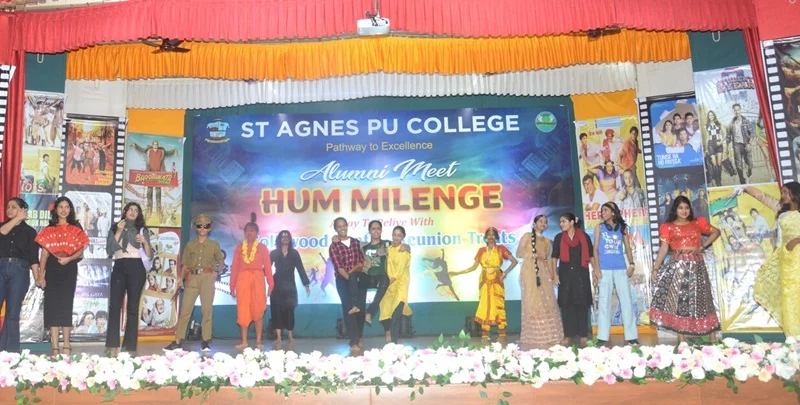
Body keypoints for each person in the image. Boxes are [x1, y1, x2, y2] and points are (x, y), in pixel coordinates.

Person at [650, 196, 721, 342]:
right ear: (675, 209)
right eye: (681, 208)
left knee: (704, 299)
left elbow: (716, 232)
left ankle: (712, 337)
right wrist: (655, 269)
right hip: (678, 267)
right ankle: (681, 340)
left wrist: (702, 247)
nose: (684, 211)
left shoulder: (697, 223)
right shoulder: (667, 227)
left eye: (687, 208)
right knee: (679, 300)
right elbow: (664, 249)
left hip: (697, 266)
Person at [34, 196, 89, 356]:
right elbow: (44, 255)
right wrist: (40, 275)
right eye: (60, 207)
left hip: (69, 268)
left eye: (66, 207)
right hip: (52, 269)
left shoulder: (75, 227)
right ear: (56, 210)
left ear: (70, 210)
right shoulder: (49, 229)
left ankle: (66, 344)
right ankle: (55, 346)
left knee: (66, 305)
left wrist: (69, 259)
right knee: (52, 306)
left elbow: (80, 252)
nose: (63, 210)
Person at [164, 214, 224, 352]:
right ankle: (178, 341)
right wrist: (181, 279)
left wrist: (216, 272)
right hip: (192, 278)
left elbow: (220, 261)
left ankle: (205, 340)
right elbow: (185, 264)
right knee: (185, 310)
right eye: (199, 226)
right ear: (196, 228)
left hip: (207, 278)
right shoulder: (190, 245)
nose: (203, 228)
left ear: (209, 228)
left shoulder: (214, 245)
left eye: (206, 226)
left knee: (207, 310)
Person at [451, 227, 518, 342]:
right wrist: (457, 273)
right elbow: (473, 267)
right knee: (485, 305)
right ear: (486, 237)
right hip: (484, 281)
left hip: (497, 280)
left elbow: (514, 261)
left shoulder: (501, 249)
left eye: (493, 234)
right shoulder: (481, 250)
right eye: (489, 234)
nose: (491, 237)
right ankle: (485, 333)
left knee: (498, 304)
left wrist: (505, 272)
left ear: (496, 237)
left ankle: (502, 332)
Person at [105, 202, 152, 356]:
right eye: (130, 209)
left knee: (133, 307)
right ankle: (112, 344)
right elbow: (109, 250)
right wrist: (119, 231)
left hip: (136, 267)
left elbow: (150, 255)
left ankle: (130, 346)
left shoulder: (142, 229)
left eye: (136, 210)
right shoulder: (115, 227)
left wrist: (144, 241)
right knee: (114, 306)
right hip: (119, 265)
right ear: (125, 211)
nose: (132, 212)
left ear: (138, 214)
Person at [755, 182, 800, 336]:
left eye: (786, 192)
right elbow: (779, 242)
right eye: (782, 193)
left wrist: (797, 240)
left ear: (794, 193)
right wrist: (770, 263)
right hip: (787, 260)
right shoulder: (782, 215)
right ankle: (794, 336)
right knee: (789, 295)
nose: (783, 196)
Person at [593, 202, 638, 346]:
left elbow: (628, 248)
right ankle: (602, 337)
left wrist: (632, 264)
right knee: (604, 302)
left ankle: (631, 336)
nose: (603, 213)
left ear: (613, 212)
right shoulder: (599, 227)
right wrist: (597, 270)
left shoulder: (622, 228)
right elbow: (595, 250)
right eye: (602, 211)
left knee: (626, 301)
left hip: (620, 268)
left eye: (606, 210)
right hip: (604, 269)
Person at [516, 214, 563, 349]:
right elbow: (519, 253)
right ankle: (533, 335)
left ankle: (548, 334)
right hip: (529, 272)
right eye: (540, 221)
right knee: (533, 302)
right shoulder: (527, 237)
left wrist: (553, 276)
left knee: (546, 301)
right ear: (534, 224)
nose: (543, 223)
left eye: (545, 222)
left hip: (543, 273)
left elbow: (548, 260)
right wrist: (535, 255)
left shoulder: (547, 241)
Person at [0, 197, 40, 353]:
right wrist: (16, 218)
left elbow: (33, 258)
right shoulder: (2, 226)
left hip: (20, 270)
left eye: (14, 207)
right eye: (8, 207)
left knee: (12, 312)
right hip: (1, 266)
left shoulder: (30, 231)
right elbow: (3, 232)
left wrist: (38, 277)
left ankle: (10, 351)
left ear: (23, 210)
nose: (9, 210)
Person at [550, 213, 595, 347]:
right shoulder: (559, 238)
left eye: (563, 221)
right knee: (566, 305)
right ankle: (568, 335)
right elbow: (554, 257)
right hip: (565, 275)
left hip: (581, 274)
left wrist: (596, 271)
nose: (561, 224)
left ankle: (583, 334)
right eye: (560, 222)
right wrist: (555, 274)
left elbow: (591, 256)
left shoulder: (584, 237)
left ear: (571, 222)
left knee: (582, 304)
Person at [230, 213, 273, 350]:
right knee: (243, 310)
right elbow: (234, 268)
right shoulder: (239, 248)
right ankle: (244, 341)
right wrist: (232, 285)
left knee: (258, 309)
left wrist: (271, 284)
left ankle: (259, 341)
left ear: (257, 233)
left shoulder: (262, 248)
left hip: (258, 279)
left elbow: (268, 267)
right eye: (247, 231)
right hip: (243, 280)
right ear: (244, 233)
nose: (249, 233)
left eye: (252, 231)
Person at [329, 217, 366, 354]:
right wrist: (351, 280)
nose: (342, 228)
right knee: (349, 308)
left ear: (347, 226)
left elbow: (362, 262)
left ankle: (359, 335)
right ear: (335, 229)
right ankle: (353, 341)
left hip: (359, 278)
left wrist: (355, 278)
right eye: (339, 226)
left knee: (360, 308)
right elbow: (339, 267)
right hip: (343, 280)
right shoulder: (334, 246)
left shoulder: (356, 242)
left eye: (344, 225)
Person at [269, 229, 310, 348]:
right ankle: (278, 337)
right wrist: (267, 284)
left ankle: (290, 336)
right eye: (283, 236)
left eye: (287, 236)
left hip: (290, 285)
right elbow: (267, 269)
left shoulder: (294, 253)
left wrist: (306, 284)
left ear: (290, 239)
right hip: (277, 285)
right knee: (276, 310)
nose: (285, 238)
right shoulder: (274, 253)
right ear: (279, 239)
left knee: (290, 310)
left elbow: (300, 268)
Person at [378, 226, 413, 343]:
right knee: (385, 312)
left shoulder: (404, 252)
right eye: (394, 235)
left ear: (403, 237)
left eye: (399, 235)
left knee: (395, 316)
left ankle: (394, 343)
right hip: (388, 288)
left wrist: (384, 285)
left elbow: (398, 273)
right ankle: (388, 334)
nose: (396, 237)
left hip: (399, 286)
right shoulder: (388, 249)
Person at [128, 140, 179, 219]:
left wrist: (174, 151)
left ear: (158, 145)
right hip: (150, 175)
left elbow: (168, 153)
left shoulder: (161, 151)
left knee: (158, 194)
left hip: (159, 176)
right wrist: (135, 145)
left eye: (156, 144)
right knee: (149, 194)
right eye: (154, 144)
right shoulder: (149, 150)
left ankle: (159, 213)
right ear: (152, 145)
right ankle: (149, 211)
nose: (155, 146)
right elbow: (142, 150)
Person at [727, 103, 754, 184]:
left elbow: (752, 133)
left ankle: (749, 172)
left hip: (746, 144)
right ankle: (742, 180)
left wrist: (749, 144)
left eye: (738, 110)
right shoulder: (731, 123)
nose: (737, 112)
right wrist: (728, 145)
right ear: (733, 112)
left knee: (750, 163)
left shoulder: (746, 121)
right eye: (735, 110)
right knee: (738, 165)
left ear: (740, 110)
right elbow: (728, 135)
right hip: (736, 145)